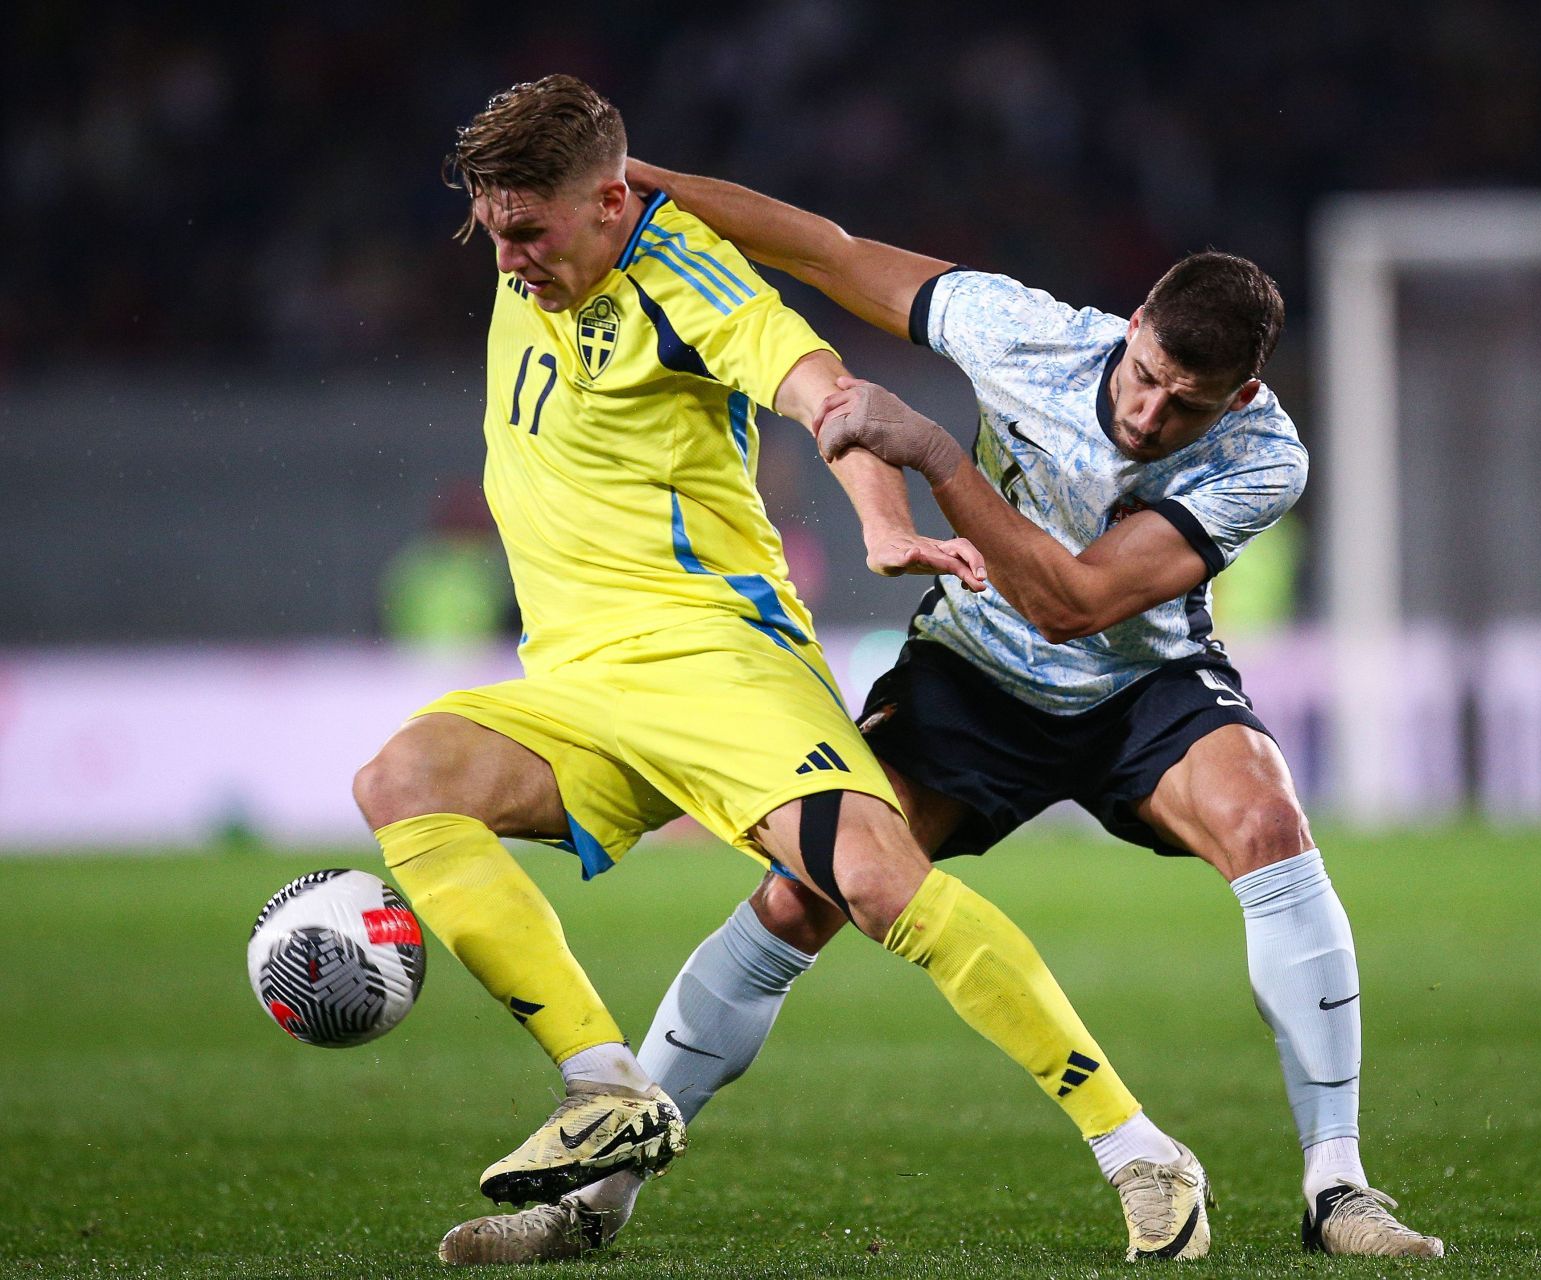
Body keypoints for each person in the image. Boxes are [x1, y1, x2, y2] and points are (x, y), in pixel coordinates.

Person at [467, 159, 1448, 1262]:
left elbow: (1074, 604)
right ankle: (594, 1202)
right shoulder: (1027, 330)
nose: (1148, 411)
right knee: (800, 896)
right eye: (1146, 375)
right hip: (973, 675)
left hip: (1139, 680)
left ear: (1245, 395)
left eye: (1187, 403)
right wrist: (637, 184)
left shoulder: (1264, 456)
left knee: (1271, 826)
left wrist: (932, 452)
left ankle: (1339, 1187)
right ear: (1129, 328)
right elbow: (823, 249)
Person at [354, 76, 1206, 1266]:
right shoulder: (535, 244)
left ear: (610, 202)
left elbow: (830, 396)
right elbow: (521, 228)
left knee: (877, 882)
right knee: (405, 778)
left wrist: (878, 521)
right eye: (491, 233)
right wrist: (515, 225)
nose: (507, 262)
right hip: (577, 680)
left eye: (529, 233)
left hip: (714, 660)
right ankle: (603, 1084)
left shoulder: (685, 275)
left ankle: (1142, 1149)